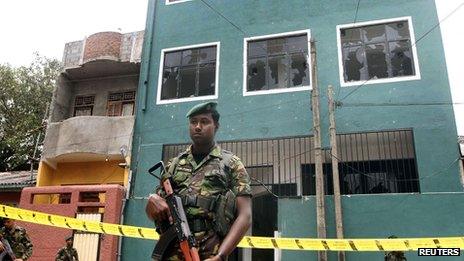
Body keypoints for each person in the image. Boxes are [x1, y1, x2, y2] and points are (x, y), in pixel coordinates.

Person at [146, 101, 252, 261]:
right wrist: (151, 203)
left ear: (216, 126)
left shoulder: (231, 163)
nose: (197, 126)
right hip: (172, 250)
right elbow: (156, 210)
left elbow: (245, 215)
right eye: (193, 122)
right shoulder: (174, 164)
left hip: (210, 252)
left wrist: (221, 255)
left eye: (204, 121)